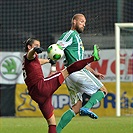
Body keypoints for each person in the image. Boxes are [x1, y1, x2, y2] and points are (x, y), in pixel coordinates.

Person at [22, 37, 100, 133]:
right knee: (68, 70)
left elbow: (38, 61)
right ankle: (92, 58)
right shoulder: (29, 56)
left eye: (39, 45)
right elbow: (30, 55)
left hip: (37, 95)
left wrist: (48, 61)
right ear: (29, 47)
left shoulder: (29, 60)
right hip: (41, 87)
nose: (38, 47)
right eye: (36, 46)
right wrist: (33, 50)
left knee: (52, 123)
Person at [56, 13, 108, 133]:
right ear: (74, 22)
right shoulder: (70, 34)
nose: (84, 24)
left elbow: (79, 61)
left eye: (84, 22)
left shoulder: (77, 38)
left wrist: (94, 72)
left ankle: (56, 131)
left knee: (76, 107)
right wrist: (53, 57)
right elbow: (57, 48)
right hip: (76, 71)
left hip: (70, 74)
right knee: (103, 90)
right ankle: (87, 107)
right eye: (81, 22)